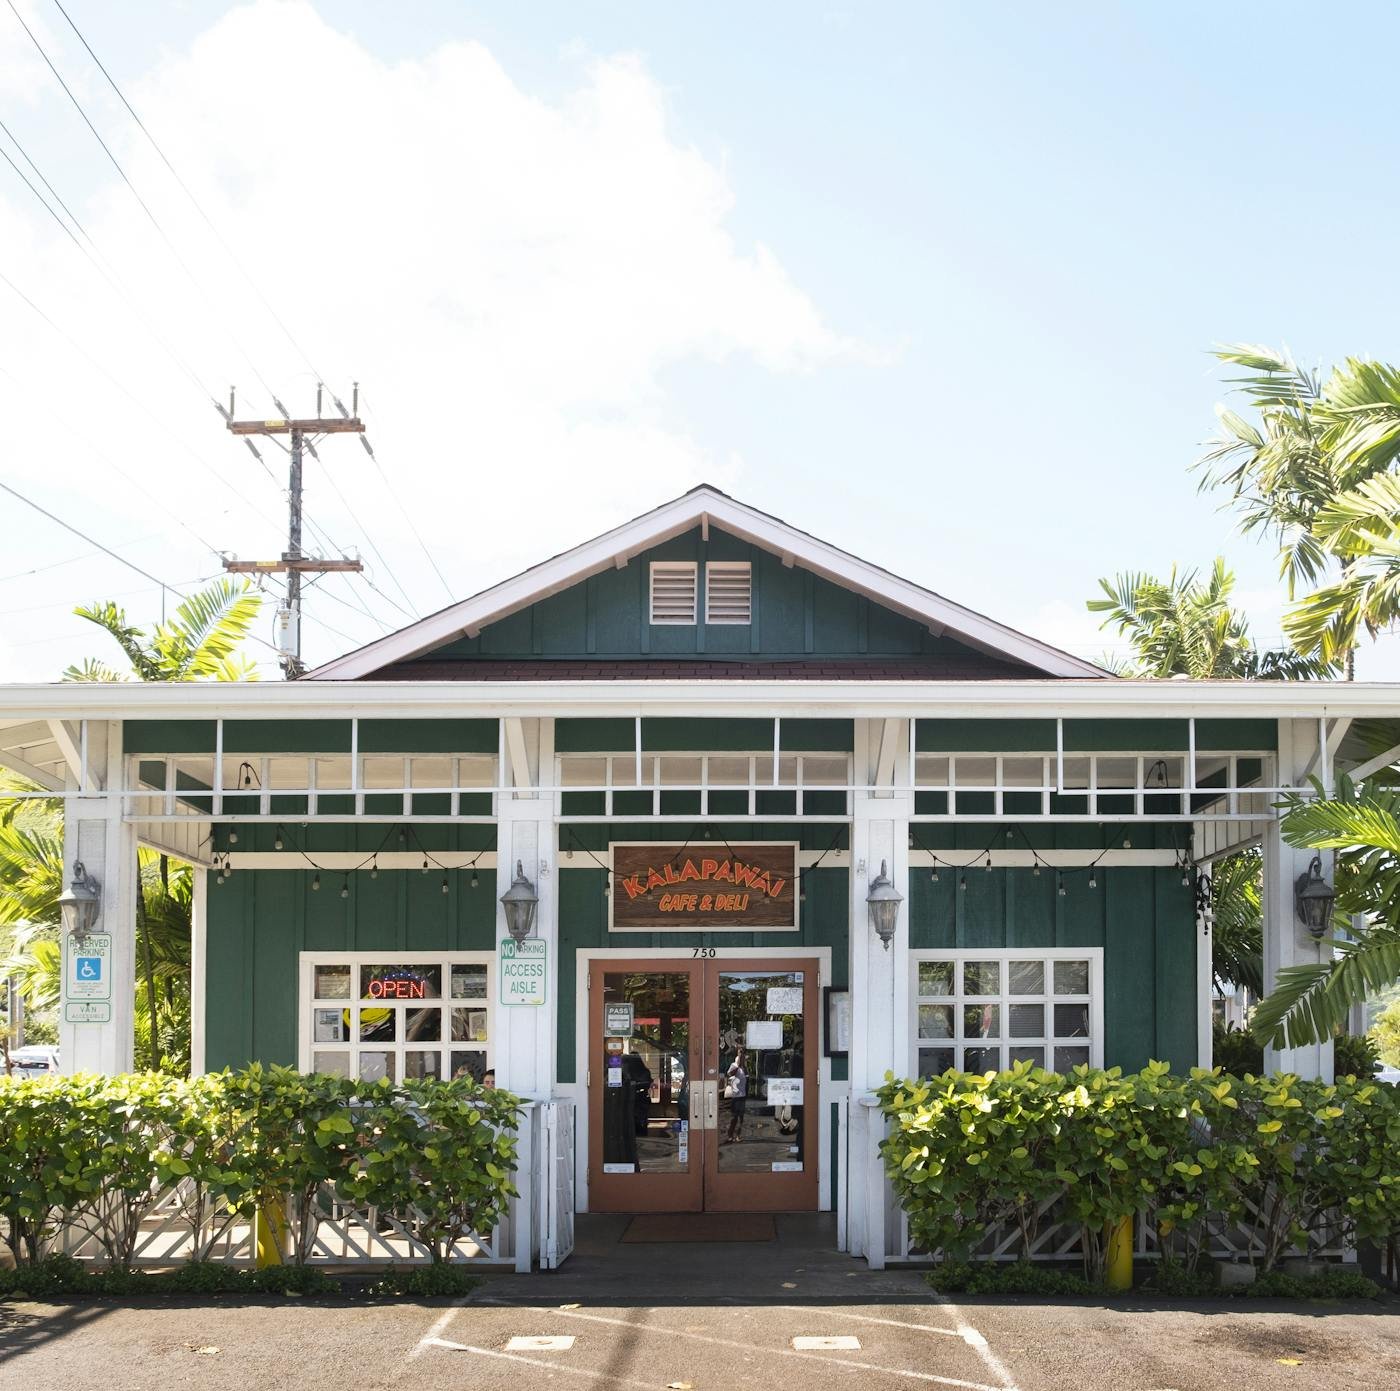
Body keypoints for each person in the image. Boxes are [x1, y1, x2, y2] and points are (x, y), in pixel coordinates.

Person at [723, 1049, 748, 1144]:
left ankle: (738, 1135)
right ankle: (730, 1135)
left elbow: (746, 1078)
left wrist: (743, 1066)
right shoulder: (734, 1065)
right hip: (736, 1096)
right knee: (734, 1117)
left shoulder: (744, 1067)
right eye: (740, 1053)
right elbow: (729, 1074)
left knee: (741, 1117)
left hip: (743, 1095)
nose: (742, 1056)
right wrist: (738, 1066)